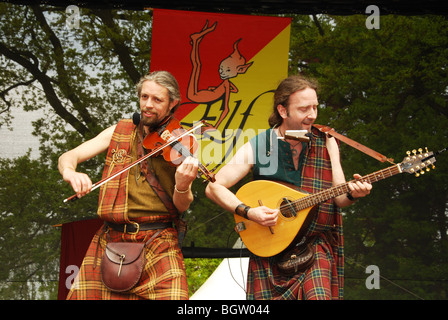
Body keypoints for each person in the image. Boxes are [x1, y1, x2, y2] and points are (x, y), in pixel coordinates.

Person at [205, 75, 372, 300]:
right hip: (269, 249)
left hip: (315, 247)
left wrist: (353, 193)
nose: (312, 115)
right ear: (283, 111)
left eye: (315, 107)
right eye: (304, 109)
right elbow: (213, 188)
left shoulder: (328, 141)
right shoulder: (259, 145)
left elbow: (340, 198)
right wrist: (249, 212)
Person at [58, 71, 199, 300]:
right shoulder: (119, 130)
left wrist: (182, 186)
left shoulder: (180, 143)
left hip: (157, 240)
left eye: (157, 100)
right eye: (144, 97)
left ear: (173, 104)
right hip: (110, 239)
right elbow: (69, 156)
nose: (148, 105)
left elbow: (182, 205)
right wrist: (70, 172)